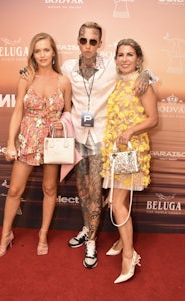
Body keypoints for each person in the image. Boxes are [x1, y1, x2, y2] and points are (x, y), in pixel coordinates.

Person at [61, 22, 153, 269]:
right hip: (80, 138)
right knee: (84, 191)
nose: (88, 46)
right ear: (78, 41)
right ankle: (87, 227)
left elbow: (134, 69)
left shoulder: (111, 67)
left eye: (93, 41)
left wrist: (147, 74)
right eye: (83, 40)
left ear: (100, 44)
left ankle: (91, 242)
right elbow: (48, 74)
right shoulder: (68, 67)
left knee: (95, 190)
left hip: (104, 138)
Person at [0, 32, 72, 258]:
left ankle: (43, 235)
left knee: (49, 189)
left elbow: (68, 111)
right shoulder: (26, 78)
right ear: (33, 54)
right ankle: (5, 235)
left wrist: (62, 122)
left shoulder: (63, 81)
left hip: (52, 141)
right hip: (27, 138)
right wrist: (10, 142)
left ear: (54, 52)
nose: (42, 54)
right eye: (38, 51)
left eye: (46, 50)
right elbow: (18, 110)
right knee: (15, 190)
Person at [100, 38, 158, 283]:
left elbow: (153, 119)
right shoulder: (118, 83)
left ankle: (128, 255)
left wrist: (131, 131)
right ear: (116, 59)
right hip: (115, 151)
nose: (124, 59)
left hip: (130, 150)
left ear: (138, 59)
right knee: (116, 199)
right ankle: (123, 239)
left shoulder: (142, 84)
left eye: (130, 55)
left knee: (117, 203)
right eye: (121, 54)